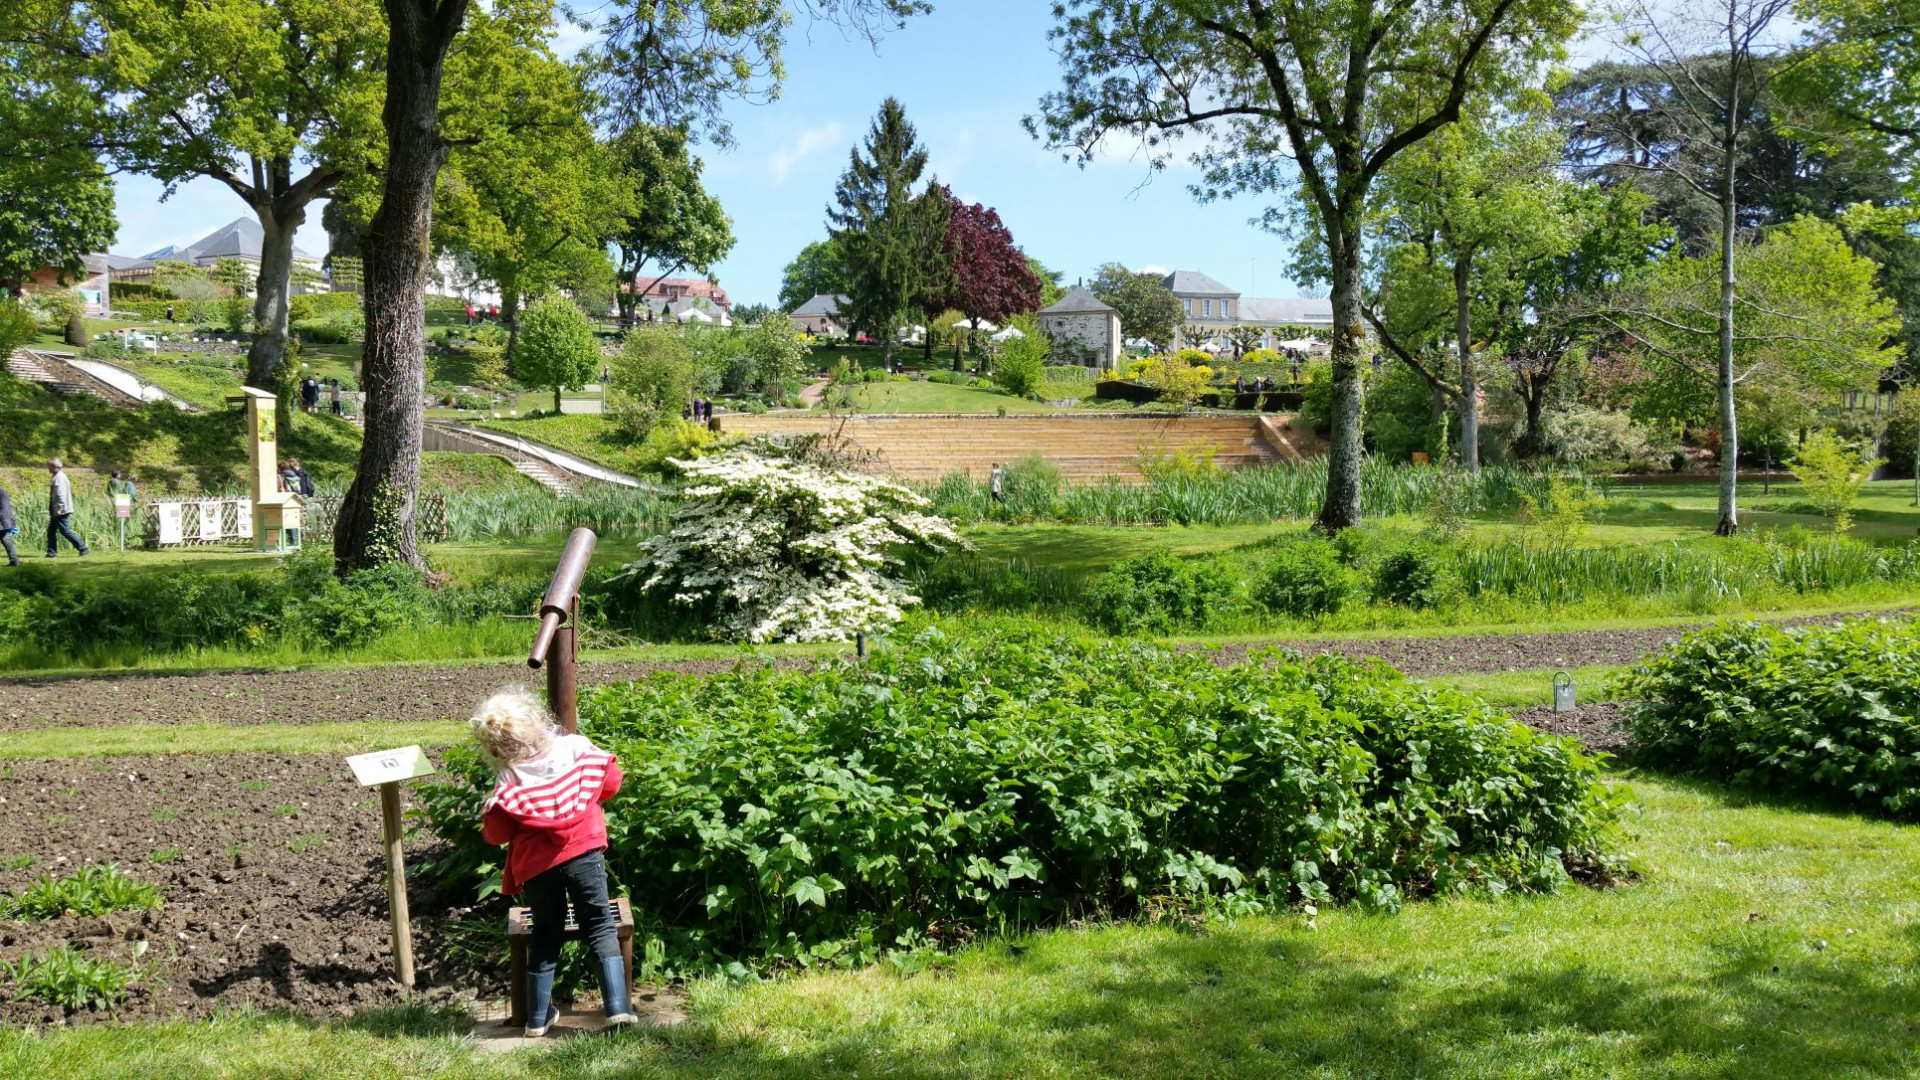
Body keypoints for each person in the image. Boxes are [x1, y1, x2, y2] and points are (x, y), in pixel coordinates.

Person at [472, 688, 636, 1037]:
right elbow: (611, 783)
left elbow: (496, 834)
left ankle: (536, 1019)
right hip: (584, 853)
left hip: (537, 866)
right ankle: (618, 1010)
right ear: (535, 717)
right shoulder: (574, 748)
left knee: (545, 933)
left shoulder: (511, 779)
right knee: (600, 925)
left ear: (495, 748)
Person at [45, 459, 88, 558]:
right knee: (51, 531)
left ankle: (83, 548)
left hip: (61, 509)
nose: (48, 468)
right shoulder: (57, 477)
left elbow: (61, 494)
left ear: (56, 467)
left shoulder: (60, 478)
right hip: (57, 509)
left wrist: (59, 508)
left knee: (65, 531)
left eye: (50, 466)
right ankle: (51, 553)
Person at [0, 482, 17, 567]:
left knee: (5, 539)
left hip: (2, 520)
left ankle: (14, 560)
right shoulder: (3, 491)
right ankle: (14, 560)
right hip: (5, 519)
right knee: (5, 539)